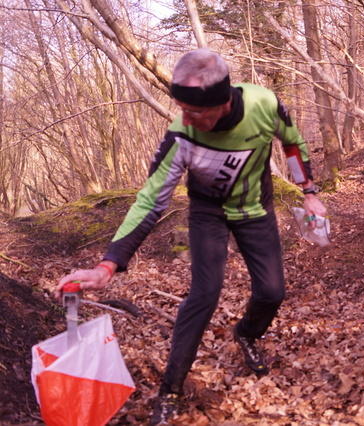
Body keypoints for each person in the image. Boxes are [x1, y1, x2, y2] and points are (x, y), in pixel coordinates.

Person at [56, 48, 327, 424]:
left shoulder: (264, 104)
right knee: (203, 295)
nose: (185, 119)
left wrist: (308, 190)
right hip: (208, 214)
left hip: (255, 209)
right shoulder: (181, 135)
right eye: (181, 109)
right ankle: (170, 390)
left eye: (194, 112)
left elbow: (292, 143)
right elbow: (149, 201)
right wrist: (108, 265)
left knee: (272, 292)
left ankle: (246, 333)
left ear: (222, 102)